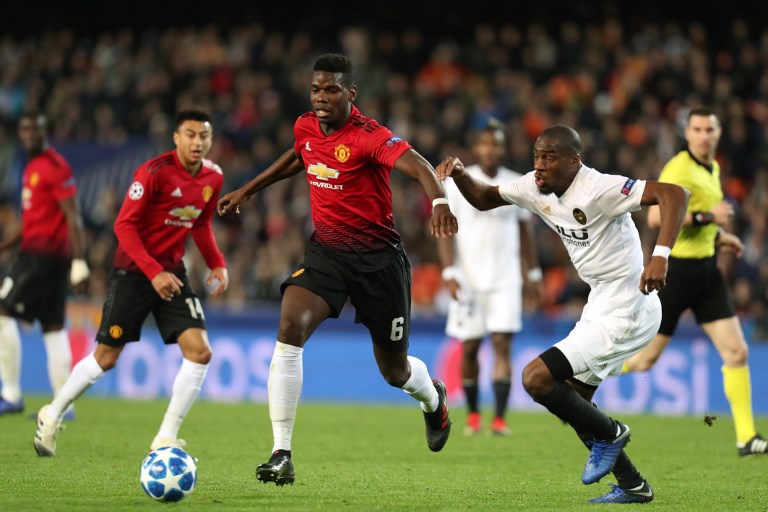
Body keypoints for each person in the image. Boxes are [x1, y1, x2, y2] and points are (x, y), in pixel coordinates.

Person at [217, 53, 457, 486]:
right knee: (289, 326)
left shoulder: (369, 136)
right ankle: (281, 452)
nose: (322, 98)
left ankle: (433, 400)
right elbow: (299, 156)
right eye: (316, 90)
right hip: (327, 254)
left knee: (395, 372)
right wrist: (248, 190)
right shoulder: (305, 125)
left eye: (331, 90)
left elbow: (419, 166)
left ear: (351, 94)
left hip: (379, 264)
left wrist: (439, 201)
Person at [435, 124, 689, 504]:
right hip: (601, 302)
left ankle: (612, 432)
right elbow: (485, 198)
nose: (539, 165)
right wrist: (459, 174)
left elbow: (674, 193)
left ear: (575, 161)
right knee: (574, 404)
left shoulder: (599, 187)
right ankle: (633, 484)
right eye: (537, 155)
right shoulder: (535, 186)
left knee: (535, 378)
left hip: (629, 304)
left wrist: (660, 256)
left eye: (550, 158)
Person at [33, 107, 229, 457]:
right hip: (135, 274)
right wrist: (153, 272)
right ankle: (52, 412)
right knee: (106, 358)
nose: (197, 142)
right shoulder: (153, 173)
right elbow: (124, 226)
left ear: (210, 139)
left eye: (204, 136)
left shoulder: (213, 177)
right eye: (190, 134)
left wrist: (217, 263)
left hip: (172, 275)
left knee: (200, 352)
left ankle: (165, 436)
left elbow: (199, 224)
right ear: (176, 137)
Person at [623, 107, 768, 457]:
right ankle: (584, 374)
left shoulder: (713, 167)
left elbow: (696, 225)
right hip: (677, 273)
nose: (704, 135)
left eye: (710, 129)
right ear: (687, 134)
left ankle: (746, 438)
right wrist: (708, 216)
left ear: (717, 134)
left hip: (707, 272)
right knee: (643, 362)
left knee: (737, 351)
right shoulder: (679, 168)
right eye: (698, 129)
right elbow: (658, 215)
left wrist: (717, 236)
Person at [436, 119, 541, 437]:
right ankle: (472, 415)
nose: (490, 149)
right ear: (476, 147)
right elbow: (444, 229)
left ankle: (499, 418)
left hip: (506, 278)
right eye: (485, 143)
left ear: (503, 148)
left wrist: (533, 273)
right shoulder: (457, 183)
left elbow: (525, 232)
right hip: (468, 278)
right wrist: (449, 271)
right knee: (469, 347)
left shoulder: (516, 183)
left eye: (496, 143)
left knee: (501, 344)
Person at [0, 112, 89, 419]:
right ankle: (64, 406)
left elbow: (73, 215)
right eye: (23, 129)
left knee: (2, 310)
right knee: (53, 328)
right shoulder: (31, 167)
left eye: (34, 129)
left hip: (43, 257)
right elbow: (31, 220)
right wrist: (3, 247)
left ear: (44, 131)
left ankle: (10, 394)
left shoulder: (54, 166)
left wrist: (80, 260)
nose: (28, 135)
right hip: (44, 255)